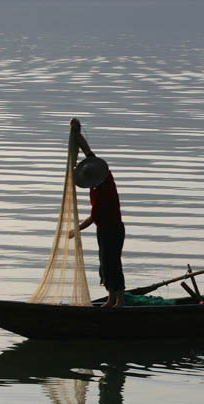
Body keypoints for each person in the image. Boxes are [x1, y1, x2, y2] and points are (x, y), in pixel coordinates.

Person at [69, 119, 126, 307]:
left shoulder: (104, 191)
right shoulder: (104, 175)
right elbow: (88, 151)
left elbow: (93, 218)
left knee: (112, 264)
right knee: (104, 263)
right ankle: (111, 298)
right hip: (104, 230)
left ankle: (120, 300)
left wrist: (76, 230)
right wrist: (76, 134)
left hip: (113, 230)